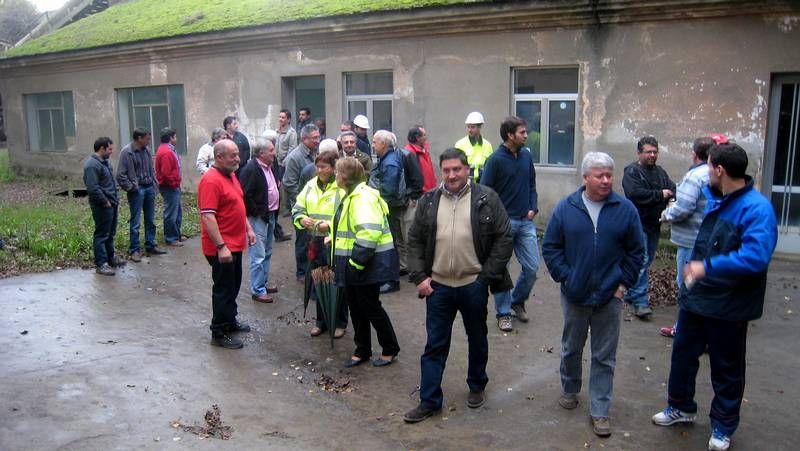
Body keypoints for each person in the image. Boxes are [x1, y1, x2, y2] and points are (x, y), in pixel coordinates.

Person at [652, 143, 777, 451]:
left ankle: (723, 425)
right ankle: (680, 406)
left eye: (708, 167)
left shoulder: (756, 209)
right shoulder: (718, 199)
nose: (706, 172)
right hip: (699, 299)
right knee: (683, 355)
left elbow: (756, 257)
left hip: (731, 304)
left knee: (727, 367)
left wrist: (705, 267)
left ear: (720, 170)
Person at [403, 148, 513, 423]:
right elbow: (414, 240)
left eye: (457, 169)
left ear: (467, 170)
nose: (452, 175)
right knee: (435, 344)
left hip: (472, 284)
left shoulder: (487, 199)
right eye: (447, 170)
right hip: (437, 287)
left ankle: (476, 385)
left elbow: (504, 238)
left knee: (477, 338)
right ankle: (429, 400)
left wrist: (484, 279)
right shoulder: (429, 201)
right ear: (442, 171)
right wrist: (420, 277)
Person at [542, 152, 645, 438]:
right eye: (599, 175)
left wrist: (623, 283)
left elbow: (637, 252)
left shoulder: (625, 210)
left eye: (609, 175)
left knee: (604, 355)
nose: (605, 180)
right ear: (585, 178)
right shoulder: (566, 208)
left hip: (610, 298)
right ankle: (570, 388)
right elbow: (551, 247)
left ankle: (600, 409)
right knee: (571, 348)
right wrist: (567, 276)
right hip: (575, 294)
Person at [331, 157, 400, 368]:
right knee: (356, 308)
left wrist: (355, 264)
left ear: (345, 176)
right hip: (356, 263)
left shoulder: (362, 197)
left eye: (337, 172)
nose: (335, 175)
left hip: (363, 264)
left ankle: (389, 349)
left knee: (370, 307)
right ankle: (362, 350)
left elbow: (369, 233)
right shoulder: (352, 195)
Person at [480, 116, 539, 331]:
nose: (526, 135)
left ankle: (517, 301)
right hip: (503, 225)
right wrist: (495, 219)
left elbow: (532, 184)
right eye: (522, 132)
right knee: (500, 270)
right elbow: (485, 192)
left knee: (532, 267)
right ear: (509, 135)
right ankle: (503, 313)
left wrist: (533, 206)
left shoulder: (526, 156)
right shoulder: (495, 160)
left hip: (525, 222)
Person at [198, 139, 257, 349]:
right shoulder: (211, 180)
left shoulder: (230, 175)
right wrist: (221, 246)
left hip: (235, 243)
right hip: (221, 247)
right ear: (219, 157)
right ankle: (219, 331)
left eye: (238, 154)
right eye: (233, 155)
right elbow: (208, 217)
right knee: (223, 288)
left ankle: (230, 320)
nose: (238, 159)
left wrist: (248, 229)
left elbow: (237, 205)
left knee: (233, 285)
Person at [658, 136, 717, 337]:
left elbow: (683, 207)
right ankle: (702, 331)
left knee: (688, 285)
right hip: (708, 239)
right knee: (703, 285)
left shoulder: (695, 176)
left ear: (694, 154)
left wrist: (666, 214)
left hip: (691, 240)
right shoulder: (716, 174)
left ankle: (686, 330)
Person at [292, 149, 347, 338]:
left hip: (335, 241)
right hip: (315, 241)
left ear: (333, 168)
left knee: (336, 282)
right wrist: (301, 218)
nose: (319, 170)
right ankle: (321, 322)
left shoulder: (342, 187)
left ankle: (339, 322)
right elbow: (297, 207)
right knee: (319, 280)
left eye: (323, 167)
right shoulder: (310, 185)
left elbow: (347, 215)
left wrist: (330, 226)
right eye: (317, 166)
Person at [622, 136, 676, 320]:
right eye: (648, 152)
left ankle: (630, 292)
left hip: (654, 223)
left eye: (655, 152)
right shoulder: (632, 172)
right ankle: (640, 301)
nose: (652, 155)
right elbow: (635, 194)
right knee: (642, 259)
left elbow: (673, 189)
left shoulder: (660, 172)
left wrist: (671, 201)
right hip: (637, 223)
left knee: (647, 259)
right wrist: (660, 194)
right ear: (639, 153)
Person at [238, 139, 281, 304]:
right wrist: (257, 212)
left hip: (270, 215)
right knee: (258, 255)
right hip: (259, 218)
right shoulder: (251, 169)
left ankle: (263, 283)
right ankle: (257, 290)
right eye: (271, 150)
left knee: (267, 252)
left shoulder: (270, 166)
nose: (274, 153)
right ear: (261, 153)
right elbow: (245, 195)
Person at [116, 128, 167, 261]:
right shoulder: (127, 152)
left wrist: (154, 183)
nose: (149, 141)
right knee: (135, 221)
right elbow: (120, 175)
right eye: (147, 138)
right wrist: (132, 187)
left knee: (150, 219)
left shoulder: (147, 151)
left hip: (149, 187)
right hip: (137, 191)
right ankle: (134, 250)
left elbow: (151, 169)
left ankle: (151, 244)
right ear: (139, 138)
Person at [368, 130, 405, 294]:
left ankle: (392, 281)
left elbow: (388, 190)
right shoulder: (387, 158)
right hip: (385, 207)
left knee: (389, 245)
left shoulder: (390, 163)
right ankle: (388, 278)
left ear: (383, 144)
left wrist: (374, 201)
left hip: (386, 208)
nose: (373, 145)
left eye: (375, 142)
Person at [283, 124, 321, 281]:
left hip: (315, 207)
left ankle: (311, 269)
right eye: (314, 138)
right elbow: (289, 184)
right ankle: (302, 273)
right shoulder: (295, 157)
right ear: (304, 139)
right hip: (302, 209)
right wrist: (303, 202)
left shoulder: (314, 154)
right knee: (302, 241)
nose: (318, 140)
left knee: (313, 239)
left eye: (318, 137)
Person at [83, 137, 125, 276]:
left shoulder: (105, 162)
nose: (111, 152)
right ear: (102, 148)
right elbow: (93, 187)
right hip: (102, 205)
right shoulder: (92, 165)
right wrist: (105, 201)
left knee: (110, 234)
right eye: (110, 149)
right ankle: (101, 264)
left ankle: (110, 258)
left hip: (112, 203)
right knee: (102, 234)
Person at [155, 127, 183, 247]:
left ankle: (176, 235)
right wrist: (174, 183)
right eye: (175, 136)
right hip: (169, 186)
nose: (176, 139)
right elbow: (166, 172)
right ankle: (171, 238)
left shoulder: (168, 149)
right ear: (171, 138)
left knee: (177, 212)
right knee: (171, 213)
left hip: (173, 185)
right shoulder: (166, 152)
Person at [455, 111, 494, 181]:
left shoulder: (487, 145)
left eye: (473, 127)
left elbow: (491, 167)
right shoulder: (460, 144)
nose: (469, 130)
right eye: (468, 127)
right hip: (466, 183)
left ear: (479, 127)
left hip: (483, 183)